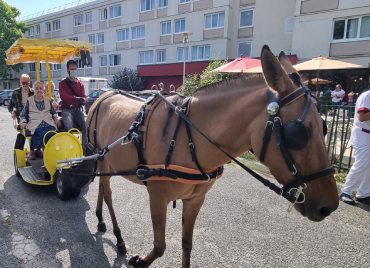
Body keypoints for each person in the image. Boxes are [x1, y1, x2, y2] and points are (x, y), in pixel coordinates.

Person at [340, 89, 370, 205]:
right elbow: (362, 116)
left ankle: (364, 194)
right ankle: (346, 191)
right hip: (363, 133)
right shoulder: (367, 96)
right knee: (362, 164)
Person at [20, 81, 61, 160]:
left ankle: (50, 152)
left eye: (40, 88)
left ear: (43, 90)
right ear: (34, 90)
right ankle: (37, 151)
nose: (39, 90)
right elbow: (23, 114)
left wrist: (56, 118)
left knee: (53, 133)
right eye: (37, 88)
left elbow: (53, 111)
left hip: (48, 123)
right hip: (36, 123)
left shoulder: (47, 99)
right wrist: (24, 121)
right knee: (41, 133)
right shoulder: (29, 100)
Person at [59, 60, 87, 149]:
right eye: (72, 69)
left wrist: (84, 100)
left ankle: (84, 148)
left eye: (75, 69)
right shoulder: (62, 84)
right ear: (67, 70)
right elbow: (63, 96)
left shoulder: (80, 84)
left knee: (86, 125)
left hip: (78, 110)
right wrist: (75, 99)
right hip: (66, 110)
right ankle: (69, 147)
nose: (74, 71)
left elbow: (85, 98)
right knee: (68, 126)